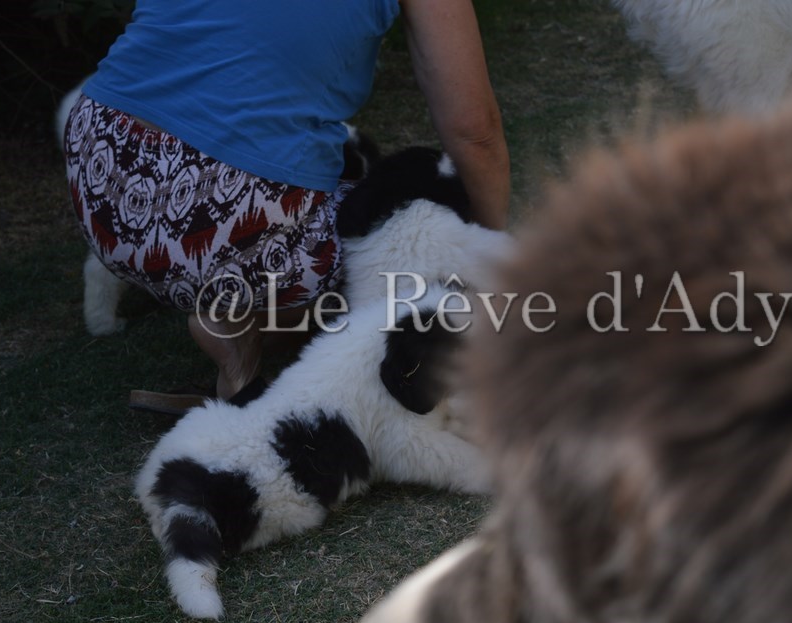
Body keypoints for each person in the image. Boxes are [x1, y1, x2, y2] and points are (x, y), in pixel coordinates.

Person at [63, 0, 510, 407]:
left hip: (100, 170)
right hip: (216, 216)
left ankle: (244, 323)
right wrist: (486, 255)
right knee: (412, 204)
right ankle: (271, 329)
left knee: (338, 179)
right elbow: (474, 133)